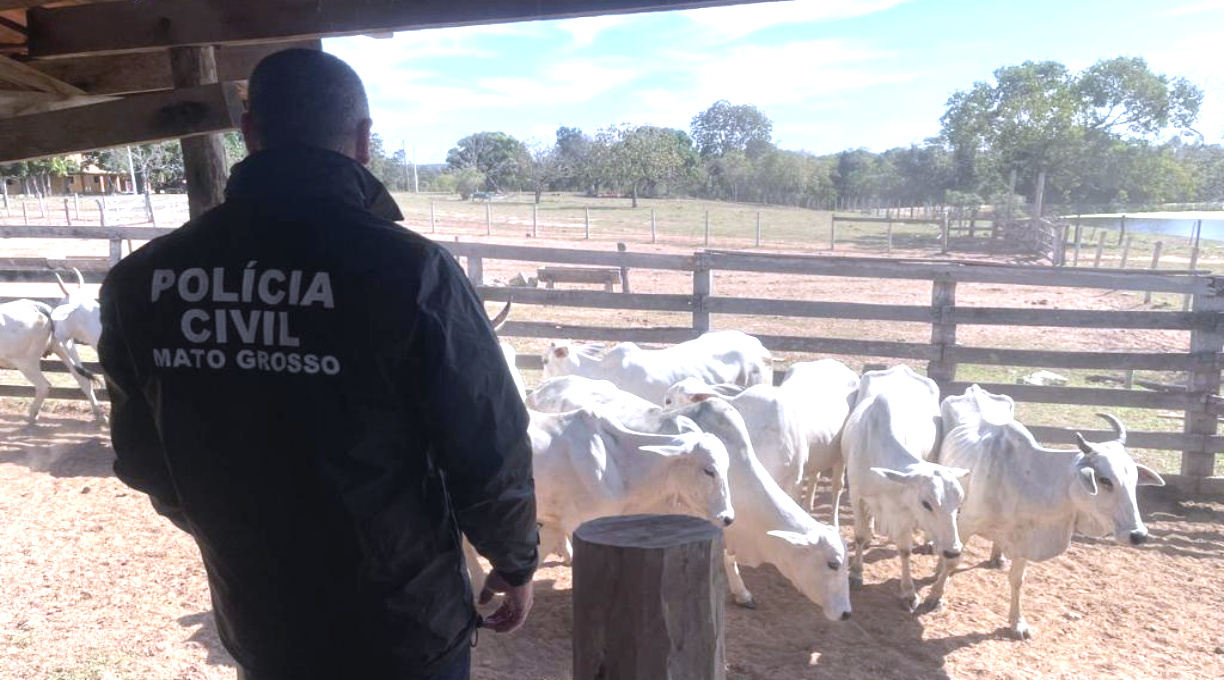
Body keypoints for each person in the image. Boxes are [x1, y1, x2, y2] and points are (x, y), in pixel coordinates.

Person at [97, 49, 538, 680]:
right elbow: (487, 448)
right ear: (363, 141)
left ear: (249, 134)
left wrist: (228, 521)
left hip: (264, 620)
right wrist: (515, 561)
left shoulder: (142, 280)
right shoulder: (411, 273)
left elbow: (141, 457)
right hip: (403, 622)